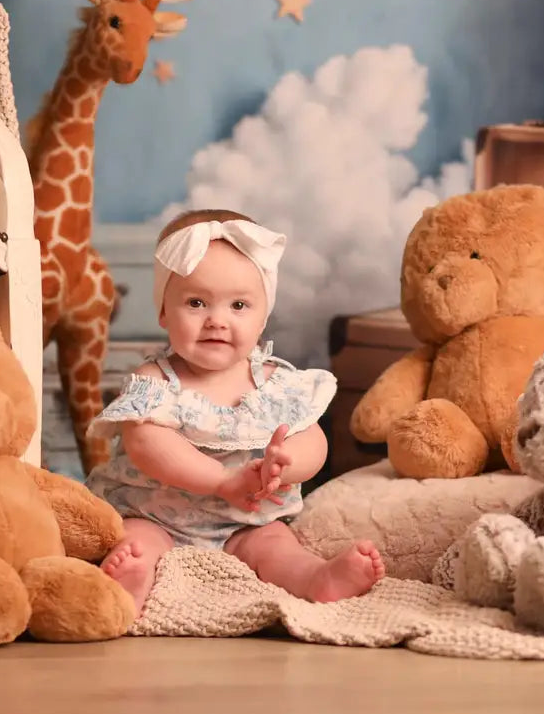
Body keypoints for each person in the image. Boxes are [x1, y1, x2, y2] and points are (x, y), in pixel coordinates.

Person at [86, 208, 384, 616]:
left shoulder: (276, 382)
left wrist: (284, 465)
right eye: (196, 302)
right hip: (156, 513)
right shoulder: (155, 379)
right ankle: (133, 579)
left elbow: (312, 438)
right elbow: (145, 443)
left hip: (247, 521)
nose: (217, 321)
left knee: (276, 545)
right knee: (136, 539)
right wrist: (222, 480)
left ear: (263, 316)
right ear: (162, 312)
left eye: (239, 305)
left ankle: (317, 578)